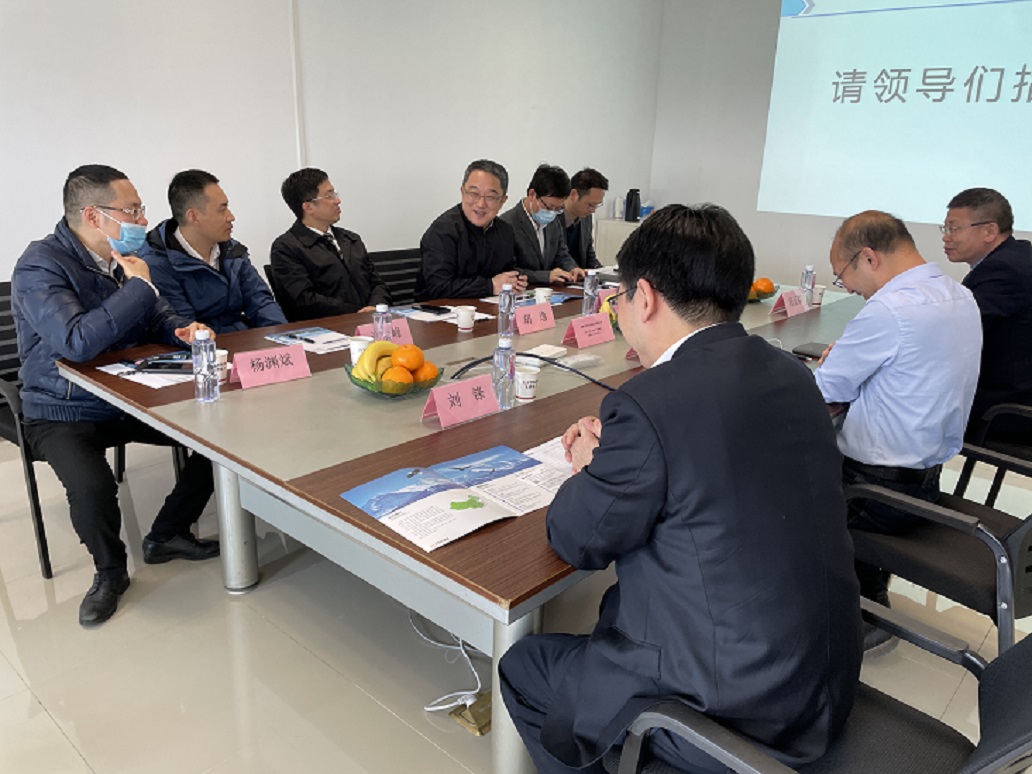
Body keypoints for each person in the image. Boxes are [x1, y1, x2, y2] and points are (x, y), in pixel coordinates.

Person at [499, 204, 861, 774]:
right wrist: (624, 459)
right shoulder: (792, 373)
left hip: (729, 707)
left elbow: (577, 540)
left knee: (525, 666)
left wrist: (591, 468)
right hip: (821, 677)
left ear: (643, 298)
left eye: (617, 299)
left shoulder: (649, 403)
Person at [12, 165, 220, 628]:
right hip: (60, 406)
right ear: (93, 215)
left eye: (141, 209)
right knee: (92, 486)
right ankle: (110, 572)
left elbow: (156, 313)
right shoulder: (39, 265)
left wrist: (179, 329)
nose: (143, 220)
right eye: (133, 210)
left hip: (124, 396)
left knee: (218, 438)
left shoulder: (124, 256)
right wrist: (139, 287)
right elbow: (76, 341)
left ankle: (167, 533)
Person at [815, 210, 981, 646]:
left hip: (872, 492)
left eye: (843, 276)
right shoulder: (960, 296)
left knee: (775, 483)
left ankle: (845, 613)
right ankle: (868, 595)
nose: (849, 288)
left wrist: (829, 367)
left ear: (868, 258)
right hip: (926, 480)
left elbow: (823, 393)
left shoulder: (889, 310)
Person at [138, 169, 286, 333]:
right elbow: (185, 328)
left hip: (241, 339)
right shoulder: (157, 262)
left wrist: (284, 336)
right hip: (203, 345)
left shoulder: (232, 250)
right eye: (222, 210)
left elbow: (260, 302)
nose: (231, 217)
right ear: (194, 216)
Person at [942, 188, 1032, 443]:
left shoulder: (1003, 271)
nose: (946, 237)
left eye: (954, 228)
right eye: (945, 229)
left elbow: (958, 333)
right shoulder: (1016, 256)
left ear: (990, 231)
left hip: (1006, 407)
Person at [270, 167, 391, 320]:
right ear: (308, 207)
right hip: (329, 326)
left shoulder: (351, 239)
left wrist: (376, 306)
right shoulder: (286, 248)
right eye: (329, 196)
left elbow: (377, 283)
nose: (337, 201)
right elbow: (304, 301)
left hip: (371, 320)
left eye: (335, 194)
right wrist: (357, 313)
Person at [414, 159, 525, 301]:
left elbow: (507, 271)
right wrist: (490, 286)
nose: (480, 204)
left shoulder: (505, 231)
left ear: (503, 200)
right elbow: (439, 287)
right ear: (462, 192)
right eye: (473, 193)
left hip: (486, 307)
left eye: (490, 197)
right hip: (437, 310)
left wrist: (515, 281)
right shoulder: (442, 231)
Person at [500, 164, 584, 284]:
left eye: (558, 208)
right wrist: (546, 276)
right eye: (548, 207)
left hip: (550, 291)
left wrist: (572, 268)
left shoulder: (553, 221)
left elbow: (561, 254)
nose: (551, 213)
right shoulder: (506, 224)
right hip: (521, 290)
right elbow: (508, 271)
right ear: (532, 194)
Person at [562, 168, 608, 271]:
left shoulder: (586, 217)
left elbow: (589, 254)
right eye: (590, 205)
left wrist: (601, 271)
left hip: (580, 277)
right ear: (573, 195)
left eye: (596, 205)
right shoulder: (552, 217)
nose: (593, 211)